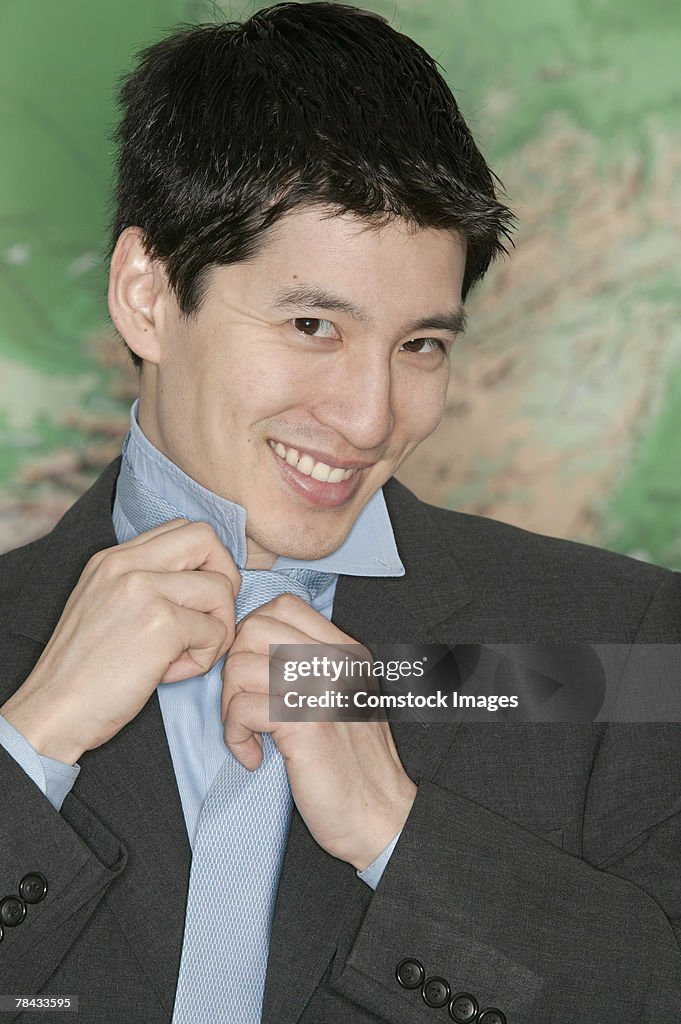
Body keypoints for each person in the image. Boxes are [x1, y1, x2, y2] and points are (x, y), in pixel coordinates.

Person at [0, 3, 679, 1022]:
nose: (370, 417)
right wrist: (31, 745)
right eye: (314, 323)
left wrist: (398, 832)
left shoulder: (618, 645)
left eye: (422, 345)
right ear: (147, 297)